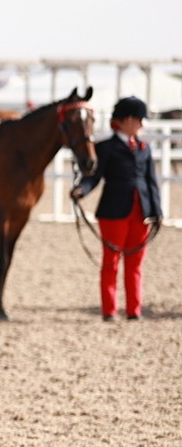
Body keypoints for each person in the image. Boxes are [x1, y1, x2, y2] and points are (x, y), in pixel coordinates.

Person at [71, 96, 162, 321]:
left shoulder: (144, 148)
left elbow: (151, 182)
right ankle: (110, 311)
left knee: (135, 264)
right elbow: (94, 177)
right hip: (114, 212)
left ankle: (134, 310)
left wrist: (157, 211)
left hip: (141, 212)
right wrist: (81, 190)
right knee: (111, 262)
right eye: (139, 119)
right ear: (127, 120)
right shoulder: (106, 148)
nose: (141, 124)